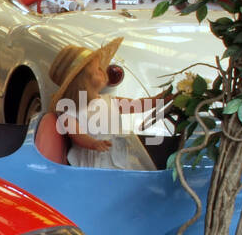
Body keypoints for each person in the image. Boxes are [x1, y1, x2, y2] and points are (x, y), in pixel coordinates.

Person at [46, 38, 167, 169]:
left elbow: (137, 105)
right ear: (83, 82)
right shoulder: (71, 111)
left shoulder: (108, 100)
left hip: (119, 155)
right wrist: (93, 143)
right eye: (97, 70)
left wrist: (158, 100)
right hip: (95, 159)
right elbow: (77, 135)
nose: (103, 71)